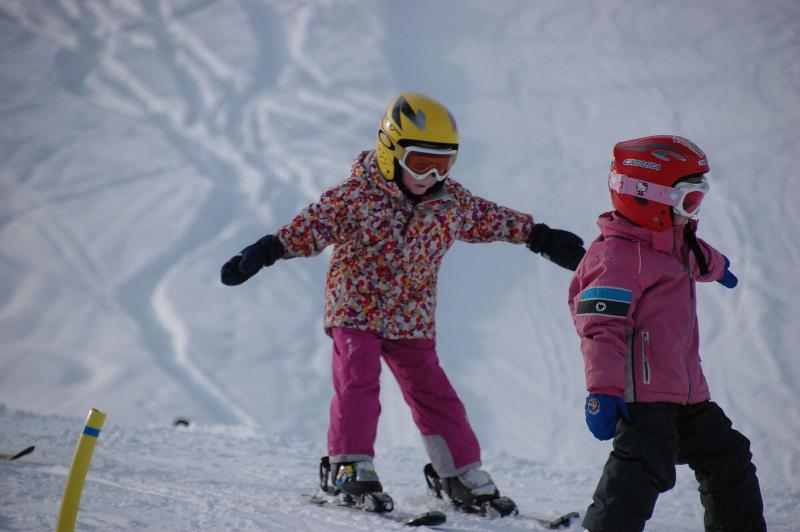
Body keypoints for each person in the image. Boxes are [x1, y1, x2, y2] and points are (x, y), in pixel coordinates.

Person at [221, 92, 586, 515]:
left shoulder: (450, 203)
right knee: (358, 381)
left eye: (443, 164)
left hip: (411, 315)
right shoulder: (356, 196)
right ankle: (348, 467)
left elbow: (491, 217)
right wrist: (268, 249)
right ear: (390, 151)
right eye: (420, 162)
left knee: (434, 392)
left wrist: (539, 237)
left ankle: (458, 472)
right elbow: (312, 225)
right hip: (355, 308)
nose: (430, 174)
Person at [568, 135, 766, 532]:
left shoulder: (674, 242)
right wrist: (602, 393)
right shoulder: (616, 258)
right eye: (689, 201)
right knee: (638, 475)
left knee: (729, 456)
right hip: (643, 401)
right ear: (647, 198)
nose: (694, 214)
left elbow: (696, 254)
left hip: (688, 394)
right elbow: (601, 331)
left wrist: (718, 265)